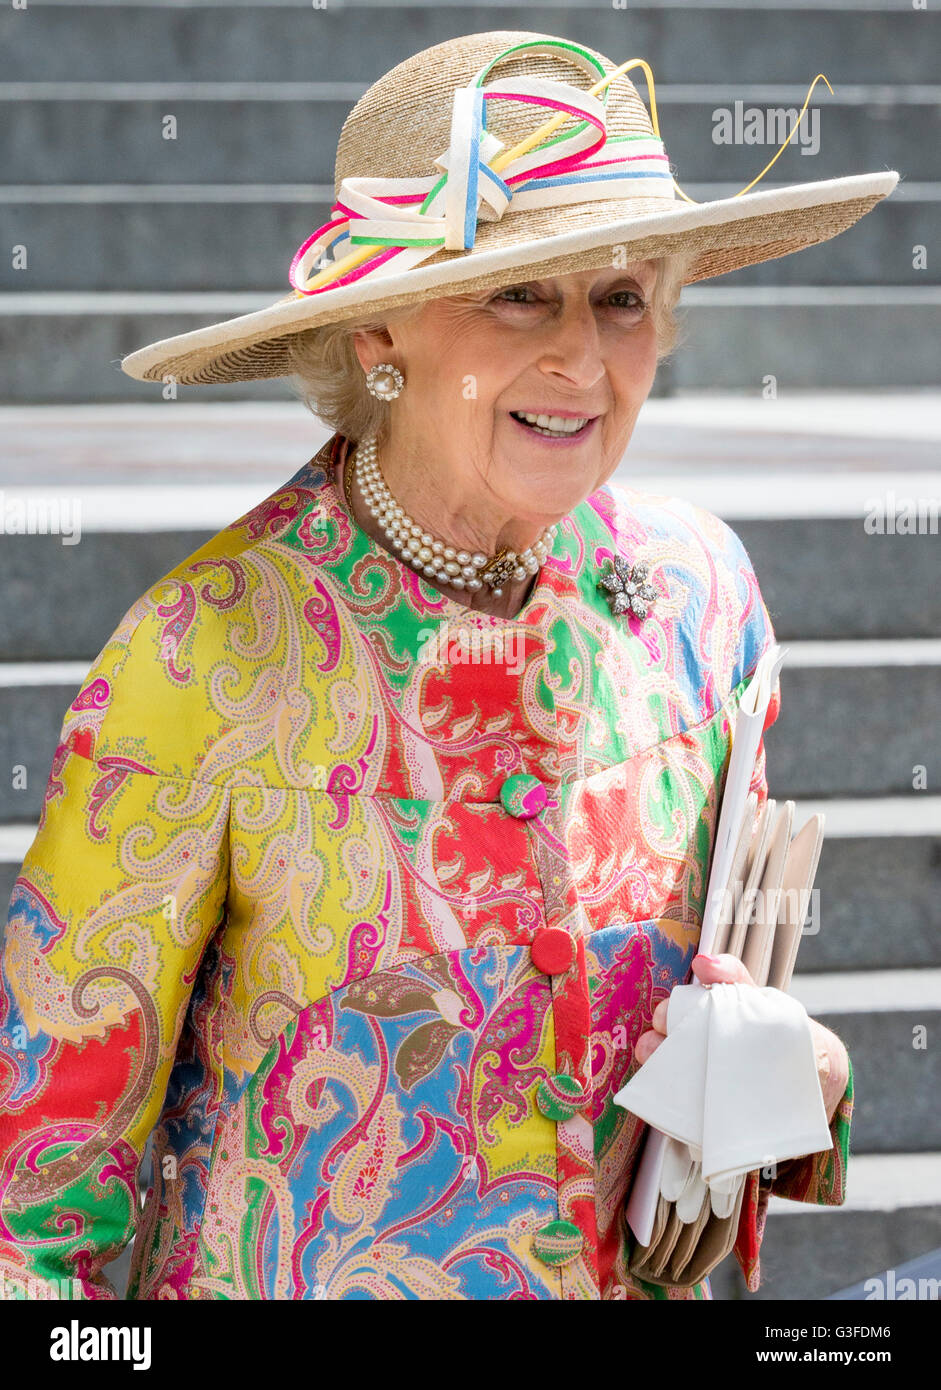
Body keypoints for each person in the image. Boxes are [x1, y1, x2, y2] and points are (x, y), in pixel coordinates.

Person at [0, 30, 896, 1300]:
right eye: (519, 294)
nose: (581, 361)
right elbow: (36, 1200)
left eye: (622, 297)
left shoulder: (703, 599)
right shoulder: (204, 652)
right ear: (377, 328)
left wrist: (793, 1070)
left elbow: (716, 1025)